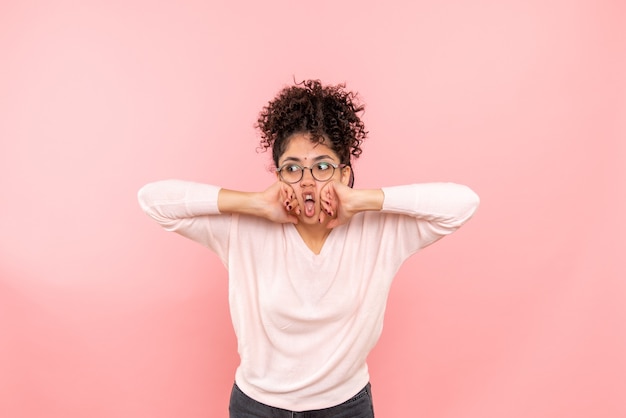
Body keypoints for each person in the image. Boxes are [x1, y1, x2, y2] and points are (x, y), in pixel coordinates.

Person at [138, 79, 480, 417]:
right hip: (257, 407)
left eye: (322, 167)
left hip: (345, 407)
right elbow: (153, 200)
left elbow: (463, 203)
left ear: (344, 174)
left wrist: (362, 200)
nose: (306, 182)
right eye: (292, 168)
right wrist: (255, 203)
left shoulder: (380, 231)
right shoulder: (243, 227)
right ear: (278, 176)